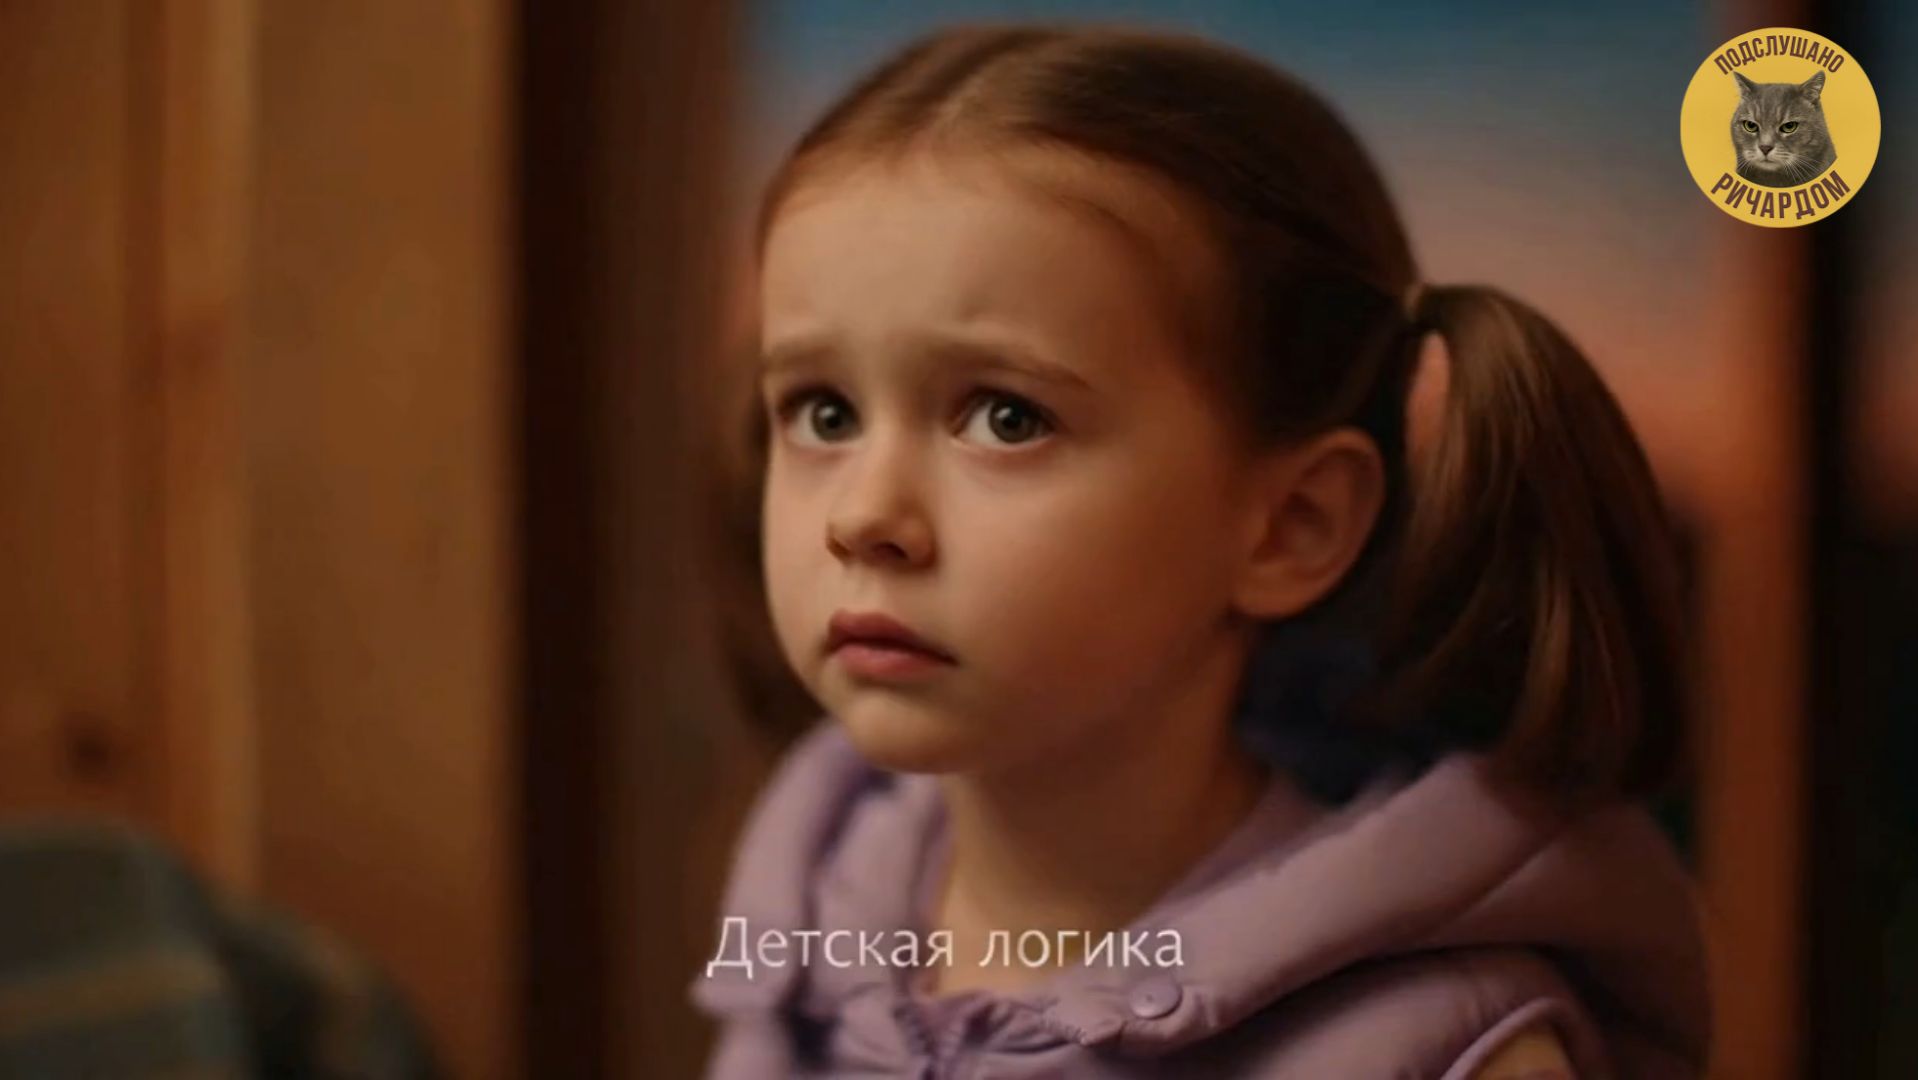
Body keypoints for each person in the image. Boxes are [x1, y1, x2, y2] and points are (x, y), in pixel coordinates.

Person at [692, 21, 1711, 1078]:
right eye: (823, 412)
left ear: (1291, 526)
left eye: (1005, 417)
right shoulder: (810, 915)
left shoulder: (1448, 1051)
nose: (863, 517)